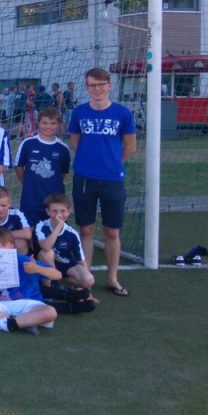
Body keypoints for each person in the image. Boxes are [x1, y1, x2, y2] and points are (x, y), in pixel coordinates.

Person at [68, 67, 137, 297]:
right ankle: (85, 277)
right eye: (92, 85)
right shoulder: (79, 113)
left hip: (112, 180)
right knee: (86, 229)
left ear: (109, 85)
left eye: (100, 85)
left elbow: (130, 147)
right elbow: (75, 143)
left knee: (112, 232)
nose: (97, 89)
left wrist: (112, 163)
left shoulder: (122, 113)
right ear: (87, 87)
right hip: (84, 178)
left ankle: (112, 278)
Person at [0, 228, 60, 334]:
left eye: (4, 244)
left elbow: (58, 275)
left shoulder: (24, 260)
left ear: (12, 246)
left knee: (50, 312)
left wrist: (37, 269)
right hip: (4, 304)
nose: (0, 249)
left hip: (29, 303)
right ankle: (24, 322)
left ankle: (6, 324)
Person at [15, 106, 71, 226]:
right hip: (31, 199)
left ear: (58, 125)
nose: (48, 127)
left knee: (55, 231)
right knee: (29, 232)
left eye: (53, 123)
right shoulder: (28, 144)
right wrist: (28, 183)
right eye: (44, 123)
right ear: (38, 123)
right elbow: (18, 167)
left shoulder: (63, 148)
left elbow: (62, 174)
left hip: (55, 201)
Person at [34, 193, 94, 291]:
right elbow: (46, 247)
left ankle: (60, 281)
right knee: (47, 254)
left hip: (65, 265)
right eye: (54, 211)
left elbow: (81, 261)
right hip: (45, 263)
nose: (59, 215)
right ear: (48, 212)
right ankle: (48, 289)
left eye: (63, 211)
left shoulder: (72, 233)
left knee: (88, 280)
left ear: (68, 212)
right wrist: (58, 226)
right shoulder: (41, 226)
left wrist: (88, 292)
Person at [0, 187, 32, 255]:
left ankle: (21, 262)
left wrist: (1, 237)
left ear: (10, 204)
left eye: (3, 205)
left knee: (20, 243)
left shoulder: (16, 214)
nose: (0, 209)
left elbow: (28, 234)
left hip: (16, 252)